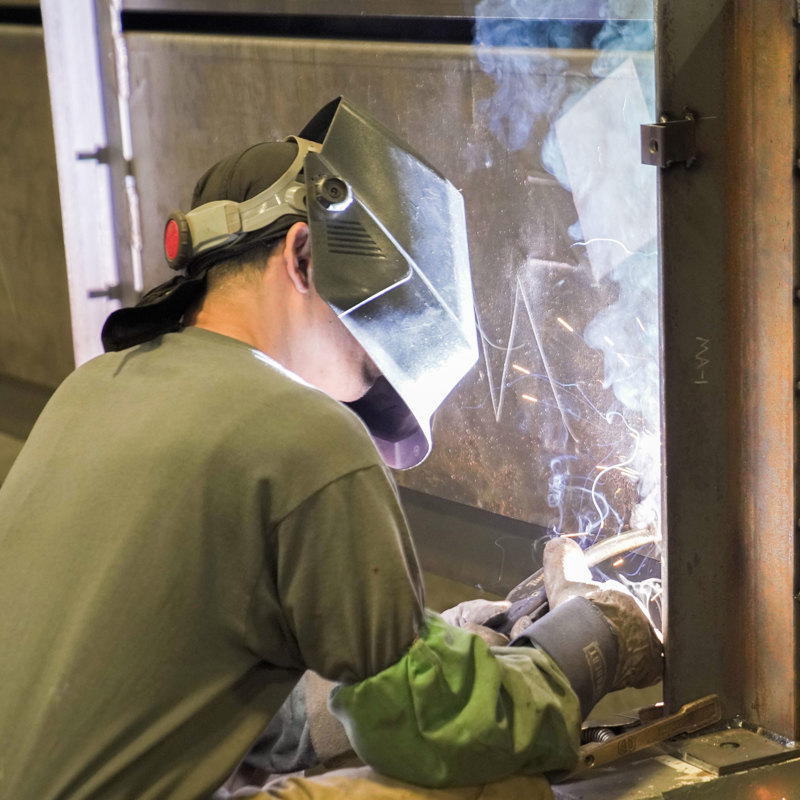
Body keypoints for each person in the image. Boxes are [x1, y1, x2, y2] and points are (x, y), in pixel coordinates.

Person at [0, 97, 661, 800]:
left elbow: (203, 695)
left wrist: (435, 647)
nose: (357, 398)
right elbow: (433, 731)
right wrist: (587, 643)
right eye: (370, 365)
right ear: (306, 258)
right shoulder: (300, 428)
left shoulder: (91, 389)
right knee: (494, 782)